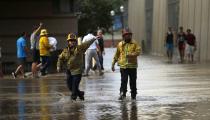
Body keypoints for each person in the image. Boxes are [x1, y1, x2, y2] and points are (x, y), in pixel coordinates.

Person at [57, 33, 100, 101]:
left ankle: (73, 101)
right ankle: (80, 94)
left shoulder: (80, 48)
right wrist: (58, 66)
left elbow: (87, 43)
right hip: (69, 71)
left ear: (75, 41)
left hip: (77, 71)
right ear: (68, 42)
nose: (72, 42)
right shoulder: (65, 50)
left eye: (73, 40)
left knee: (74, 88)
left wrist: (94, 38)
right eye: (70, 41)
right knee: (70, 87)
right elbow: (60, 58)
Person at [111, 28, 141, 100]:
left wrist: (132, 54)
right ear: (123, 36)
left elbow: (138, 51)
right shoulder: (120, 44)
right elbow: (116, 55)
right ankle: (122, 94)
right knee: (124, 80)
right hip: (123, 66)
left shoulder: (135, 43)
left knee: (133, 82)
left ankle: (133, 96)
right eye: (126, 35)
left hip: (132, 66)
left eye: (129, 35)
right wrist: (113, 64)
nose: (128, 37)